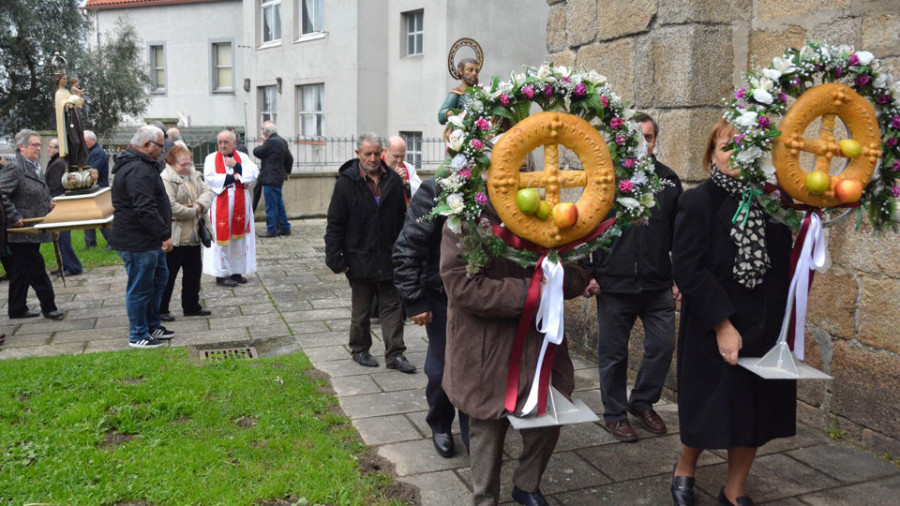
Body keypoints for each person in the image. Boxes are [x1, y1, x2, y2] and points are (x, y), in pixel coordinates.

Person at [670, 118, 795, 506]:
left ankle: (734, 488)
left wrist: (784, 327)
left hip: (763, 325)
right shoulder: (697, 201)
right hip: (713, 324)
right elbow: (688, 268)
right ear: (711, 154)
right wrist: (723, 324)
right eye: (726, 146)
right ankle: (685, 468)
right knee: (709, 407)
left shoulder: (774, 204)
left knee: (753, 414)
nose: (735, 155)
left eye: (745, 146)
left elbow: (783, 267)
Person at [440, 205, 589, 506]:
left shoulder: (552, 216)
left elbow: (579, 273)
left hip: (539, 345)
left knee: (548, 419)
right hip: (488, 346)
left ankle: (527, 484)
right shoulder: (465, 219)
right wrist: (530, 291)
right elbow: (463, 286)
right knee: (487, 429)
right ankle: (484, 498)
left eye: (525, 164)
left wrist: (560, 280)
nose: (519, 169)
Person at [583, 113, 683, 442]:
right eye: (636, 137)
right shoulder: (605, 180)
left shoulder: (669, 182)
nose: (644, 143)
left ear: (656, 142)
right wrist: (587, 272)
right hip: (614, 283)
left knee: (663, 345)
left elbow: (681, 235)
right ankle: (614, 414)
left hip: (657, 284)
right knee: (613, 353)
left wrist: (679, 276)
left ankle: (642, 402)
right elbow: (584, 227)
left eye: (649, 137)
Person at [324, 133, 414, 373]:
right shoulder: (346, 182)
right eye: (368, 154)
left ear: (382, 152)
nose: (373, 158)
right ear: (358, 154)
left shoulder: (393, 181)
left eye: (376, 153)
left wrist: (403, 253)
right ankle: (360, 349)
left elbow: (400, 222)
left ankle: (395, 354)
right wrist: (336, 259)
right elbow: (335, 223)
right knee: (361, 311)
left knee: (392, 307)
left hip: (388, 257)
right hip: (358, 257)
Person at [393, 178, 468, 458]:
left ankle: (473, 431)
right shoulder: (437, 190)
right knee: (441, 369)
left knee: (478, 366)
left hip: (483, 295)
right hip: (442, 295)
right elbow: (408, 246)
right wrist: (414, 300)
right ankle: (440, 422)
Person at [109, 125, 176, 348]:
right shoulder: (137, 169)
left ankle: (152, 324)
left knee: (158, 281)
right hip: (137, 241)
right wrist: (164, 235)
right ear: (147, 145)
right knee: (140, 288)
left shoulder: (143, 165)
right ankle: (138, 334)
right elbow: (145, 208)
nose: (163, 151)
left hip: (148, 240)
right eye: (161, 146)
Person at [0, 129, 65, 320]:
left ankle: (17, 308)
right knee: (36, 268)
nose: (39, 148)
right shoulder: (15, 167)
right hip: (20, 230)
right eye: (34, 145)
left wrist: (48, 203)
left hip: (33, 227)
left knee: (20, 270)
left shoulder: (34, 164)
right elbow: (1, 194)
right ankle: (49, 306)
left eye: (39, 145)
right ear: (21, 147)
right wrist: (14, 216)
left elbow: (34, 191)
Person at [159, 146, 215, 321]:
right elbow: (170, 206)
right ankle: (161, 309)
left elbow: (208, 192)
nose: (187, 167)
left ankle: (191, 306)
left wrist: (198, 206)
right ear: (172, 163)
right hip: (175, 236)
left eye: (189, 163)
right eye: (183, 164)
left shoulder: (194, 174)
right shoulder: (165, 179)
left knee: (193, 274)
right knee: (168, 276)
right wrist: (194, 211)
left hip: (194, 233)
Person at [202, 129, 259, 287]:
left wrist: (236, 166)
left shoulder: (243, 157)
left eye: (226, 142)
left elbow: (253, 173)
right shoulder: (211, 158)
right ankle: (221, 274)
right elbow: (210, 178)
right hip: (221, 202)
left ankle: (236, 271)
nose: (222, 145)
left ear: (234, 143)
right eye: (219, 142)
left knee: (238, 239)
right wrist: (234, 177)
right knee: (221, 239)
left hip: (240, 203)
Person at [45, 137, 84, 277]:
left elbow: (55, 185)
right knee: (60, 237)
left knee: (63, 237)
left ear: (58, 149)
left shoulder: (58, 163)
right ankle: (65, 264)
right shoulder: (58, 162)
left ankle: (72, 265)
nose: (48, 150)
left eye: (50, 147)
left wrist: (50, 199)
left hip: (58, 203)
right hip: (58, 202)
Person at [253, 121, 293, 238]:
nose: (263, 134)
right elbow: (289, 158)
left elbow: (257, 152)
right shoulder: (282, 141)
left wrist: (261, 144)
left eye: (263, 131)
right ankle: (285, 227)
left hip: (270, 178)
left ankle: (272, 229)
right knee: (279, 204)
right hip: (278, 177)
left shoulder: (270, 142)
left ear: (267, 133)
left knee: (270, 205)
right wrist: (287, 173)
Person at [83, 130, 112, 249]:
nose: (83, 144)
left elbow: (94, 170)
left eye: (85, 141)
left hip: (99, 187)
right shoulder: (90, 152)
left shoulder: (98, 153)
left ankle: (112, 241)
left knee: (101, 216)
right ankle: (90, 242)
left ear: (93, 140)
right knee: (88, 216)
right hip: (92, 188)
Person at [54, 74, 88, 170]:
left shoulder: (67, 91)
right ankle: (73, 162)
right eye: (64, 79)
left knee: (80, 140)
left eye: (66, 78)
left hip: (75, 119)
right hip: (69, 121)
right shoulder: (59, 93)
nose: (66, 81)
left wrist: (78, 101)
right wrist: (67, 105)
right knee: (75, 142)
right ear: (59, 80)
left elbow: (72, 100)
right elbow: (61, 104)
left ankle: (80, 162)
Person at [439, 57, 479, 125]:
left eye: (476, 71)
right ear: (460, 71)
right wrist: (450, 113)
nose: (474, 73)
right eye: (470, 70)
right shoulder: (456, 93)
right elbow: (441, 116)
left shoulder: (481, 92)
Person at [382, 135, 421, 202]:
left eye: (402, 156)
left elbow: (422, 192)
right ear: (385, 151)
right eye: (396, 156)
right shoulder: (376, 168)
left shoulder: (408, 168)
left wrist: (406, 183)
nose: (399, 161)